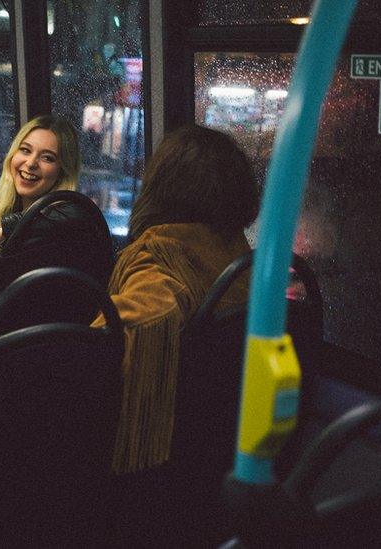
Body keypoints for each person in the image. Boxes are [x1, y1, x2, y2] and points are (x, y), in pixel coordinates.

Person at [102, 124, 259, 474]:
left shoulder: (158, 256)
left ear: (161, 188)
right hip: (222, 454)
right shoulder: (239, 257)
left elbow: (147, 316)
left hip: (161, 463)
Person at [0, 114, 81, 275]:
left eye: (47, 158)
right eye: (25, 150)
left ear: (62, 171)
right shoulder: (6, 217)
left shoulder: (61, 233)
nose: (30, 163)